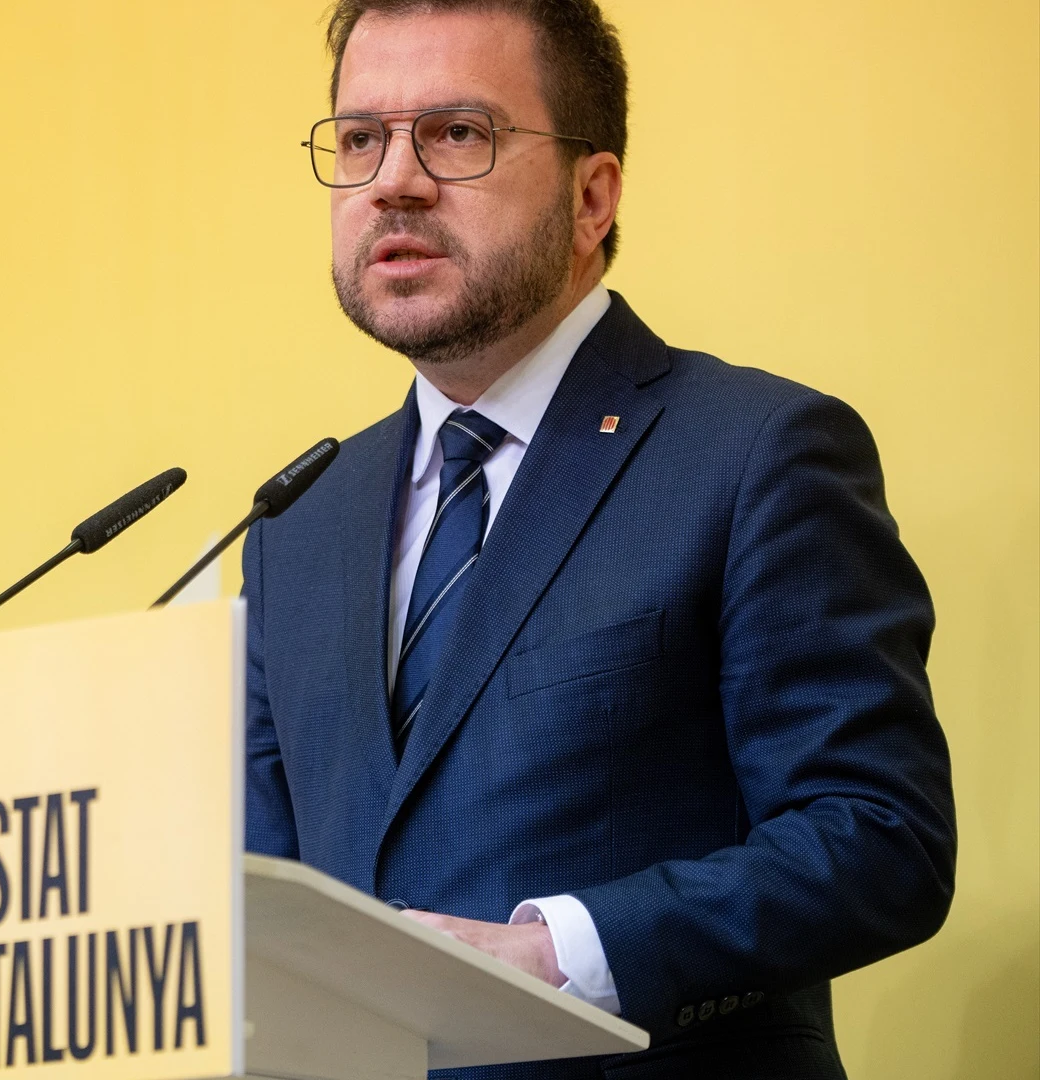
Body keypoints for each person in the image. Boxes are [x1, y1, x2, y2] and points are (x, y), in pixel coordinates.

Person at [240, 3, 957, 1076]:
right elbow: (262, 906)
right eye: (358, 139)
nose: (393, 179)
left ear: (593, 195)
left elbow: (879, 840)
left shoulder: (755, 453)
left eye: (456, 133)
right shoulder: (299, 521)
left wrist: (559, 954)